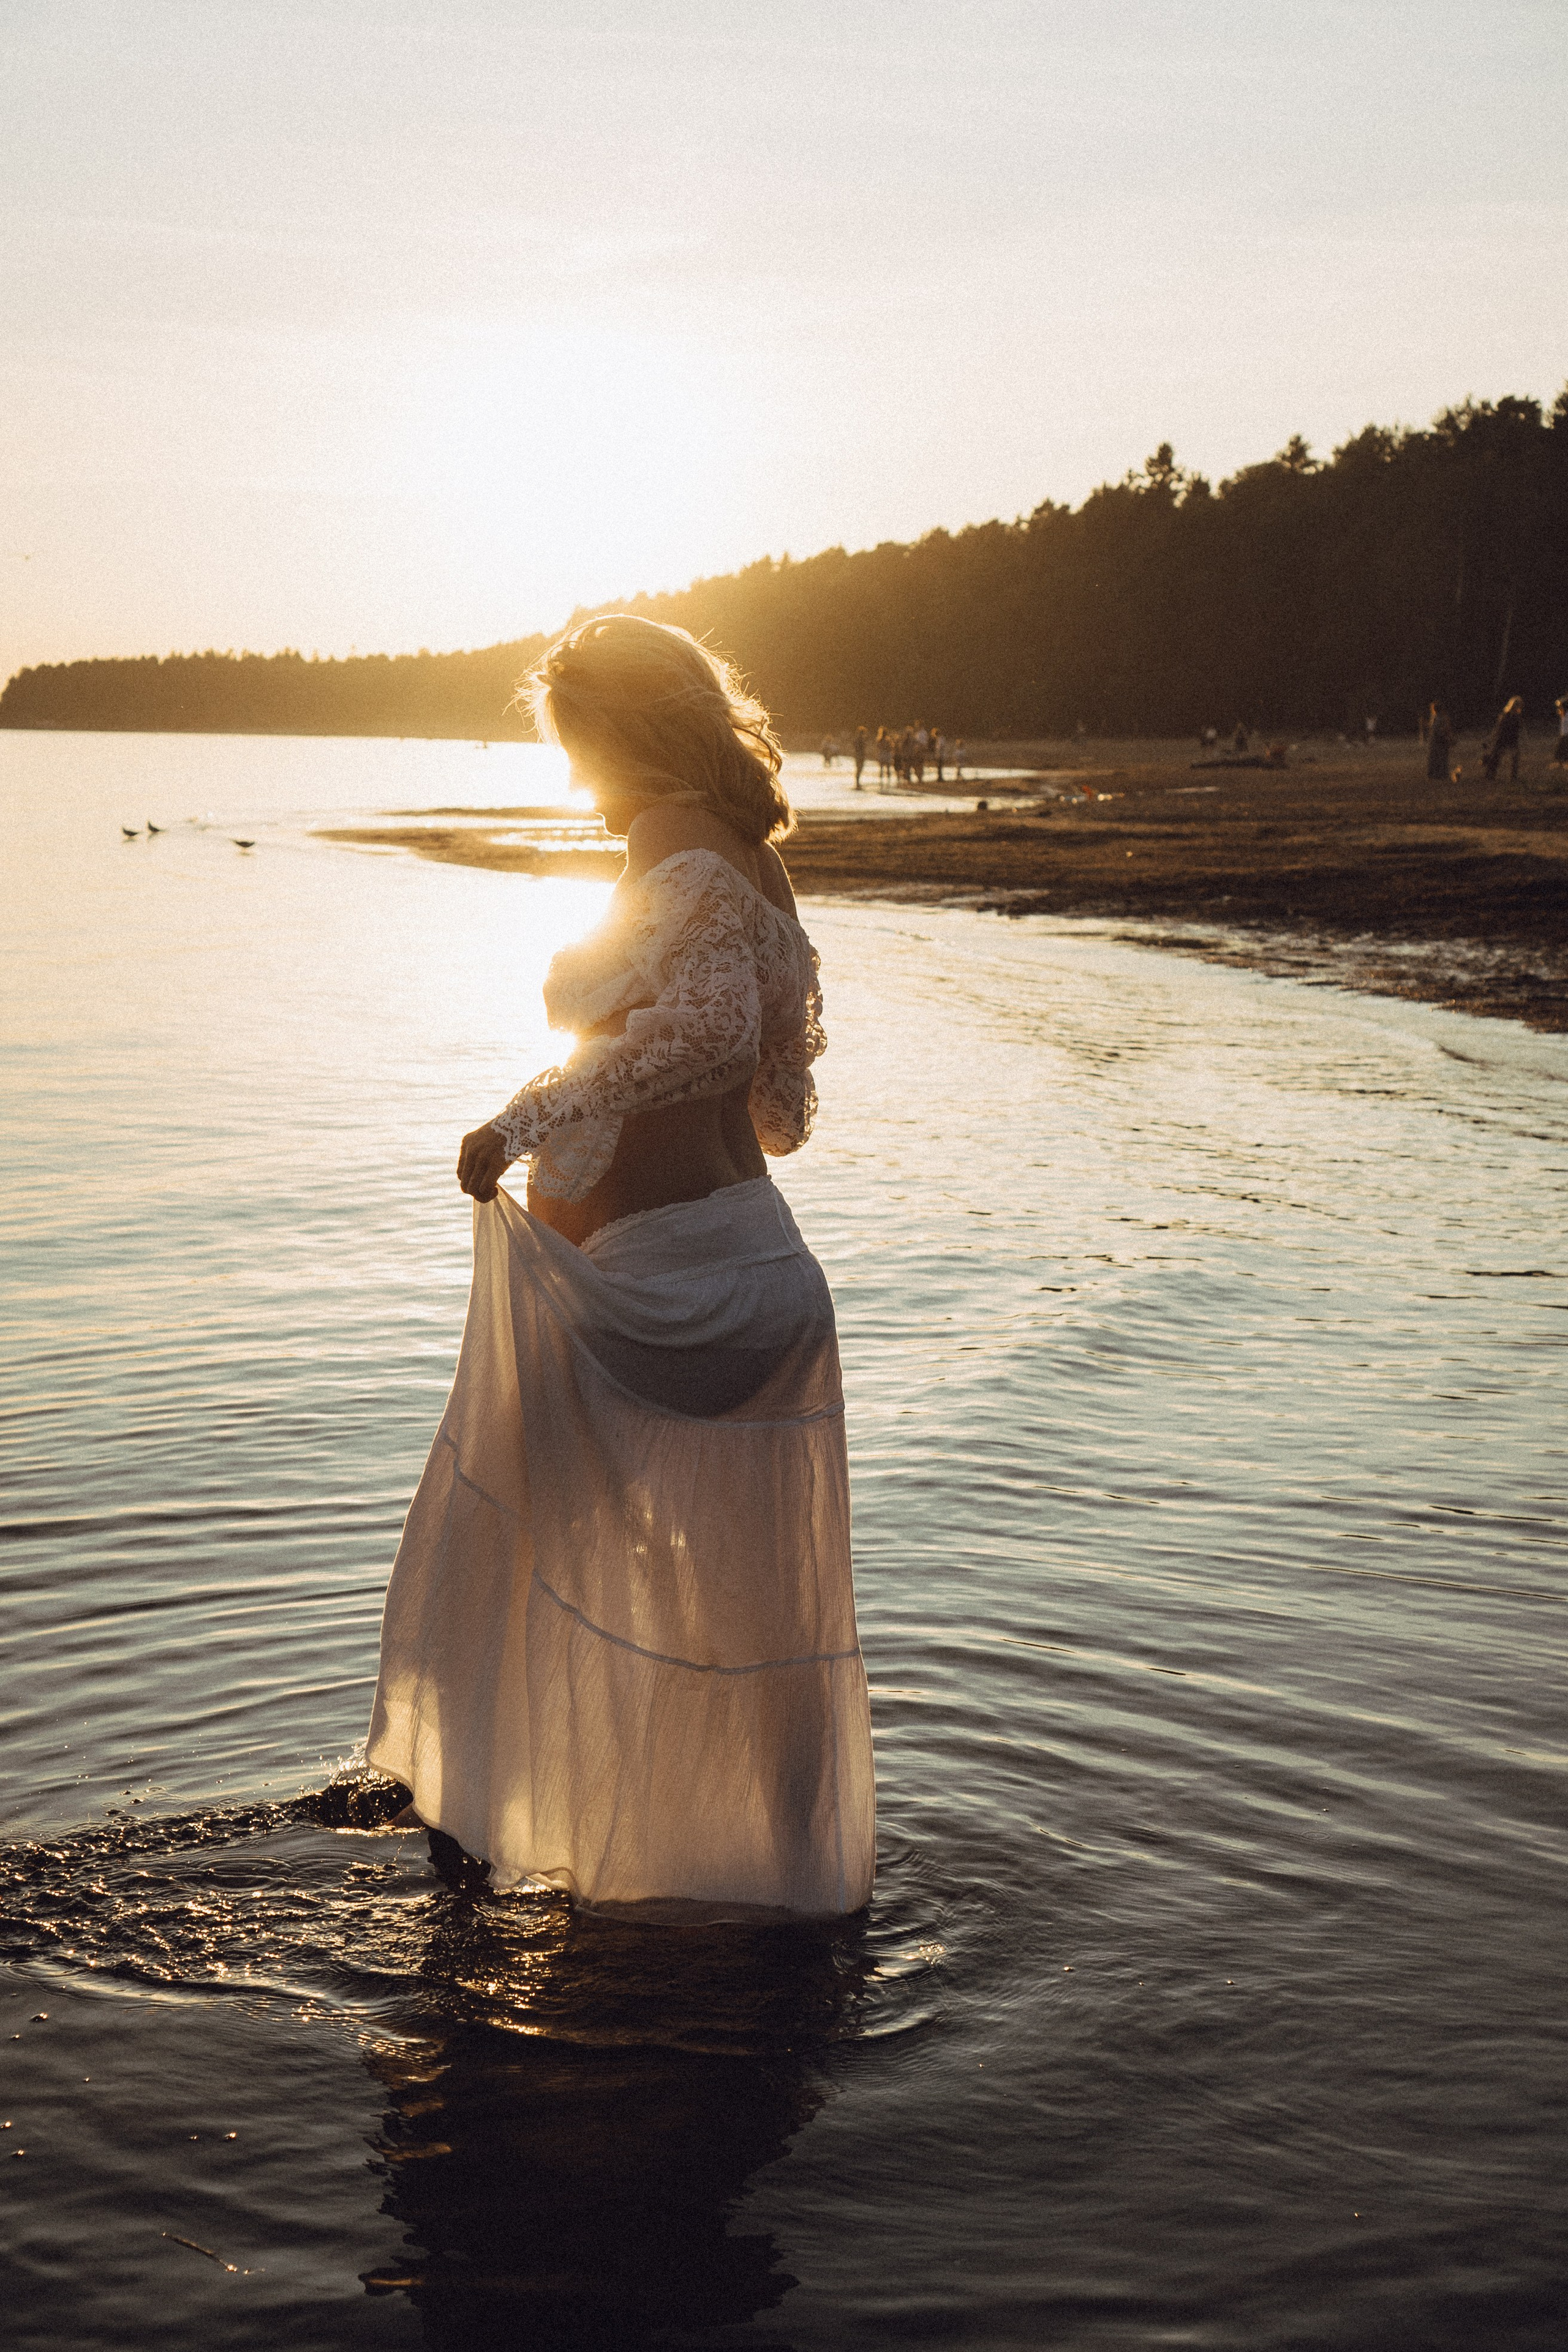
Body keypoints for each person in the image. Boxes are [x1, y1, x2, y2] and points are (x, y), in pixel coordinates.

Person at [366, 614, 875, 1915]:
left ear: (628, 737)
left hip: (663, 1290)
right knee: (766, 1620)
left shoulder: (669, 843)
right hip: (769, 1277)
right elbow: (780, 1110)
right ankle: (795, 1884)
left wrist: (523, 1119)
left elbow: (707, 1039)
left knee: (483, 1542)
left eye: (580, 750)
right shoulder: (760, 865)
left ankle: (461, 1869)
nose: (576, 782)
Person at [1482, 695, 1523, 783]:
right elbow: (1498, 729)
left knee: (1515, 758)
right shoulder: (1505, 715)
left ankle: (1514, 777)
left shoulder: (1517, 716)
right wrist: (1491, 739)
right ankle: (1490, 774)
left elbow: (1518, 729)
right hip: (1503, 738)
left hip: (1512, 739)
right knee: (1496, 757)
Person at [1425, 701, 1453, 783]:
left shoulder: (1443, 718)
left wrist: (1447, 737)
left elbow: (1446, 728)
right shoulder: (1435, 717)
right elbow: (1433, 727)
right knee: (1434, 757)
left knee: (1442, 757)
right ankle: (1434, 774)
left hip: (1441, 739)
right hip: (1435, 740)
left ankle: (1442, 774)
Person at [1555, 696, 1568, 768]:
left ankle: (1565, 763)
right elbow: (1559, 704)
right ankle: (1561, 763)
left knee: (1564, 749)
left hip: (1566, 735)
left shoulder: (1566, 715)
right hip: (1563, 734)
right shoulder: (1564, 715)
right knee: (1560, 749)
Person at [853, 724, 867, 788]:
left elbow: (855, 747)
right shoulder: (861, 739)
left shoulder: (857, 739)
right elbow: (862, 748)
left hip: (857, 755)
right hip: (861, 755)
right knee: (860, 769)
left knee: (858, 769)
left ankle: (857, 783)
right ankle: (858, 783)